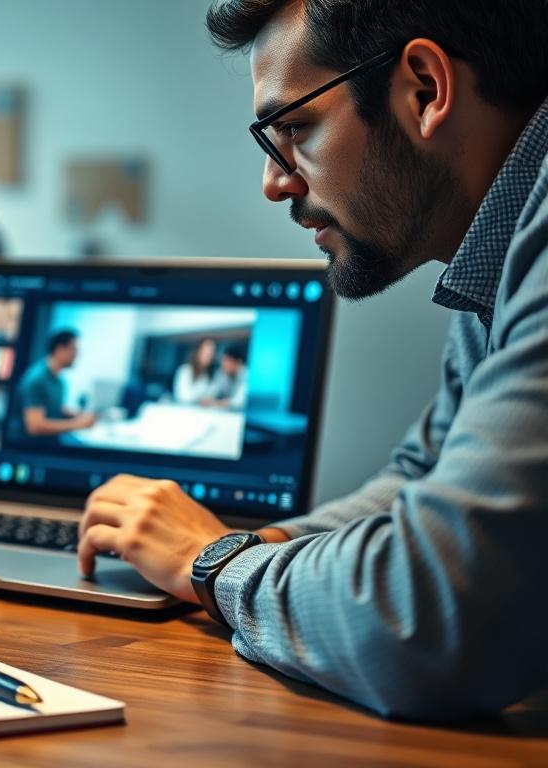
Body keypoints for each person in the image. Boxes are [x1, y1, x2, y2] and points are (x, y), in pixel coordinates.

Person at [78, 0, 548, 720]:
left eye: (294, 129)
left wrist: (216, 564)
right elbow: (420, 479)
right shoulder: (494, 260)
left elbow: (434, 617)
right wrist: (253, 542)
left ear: (424, 89)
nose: (276, 182)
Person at [15, 330, 96, 437]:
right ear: (59, 349)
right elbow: (35, 427)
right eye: (74, 349)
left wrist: (79, 415)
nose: (77, 355)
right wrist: (78, 424)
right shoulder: (37, 379)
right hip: (32, 446)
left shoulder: (59, 380)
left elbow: (54, 407)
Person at [203, 342, 248, 409]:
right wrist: (208, 399)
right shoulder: (222, 373)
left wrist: (216, 402)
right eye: (223, 360)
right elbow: (210, 393)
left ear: (238, 362)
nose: (223, 365)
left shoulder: (246, 375)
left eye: (227, 360)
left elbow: (239, 402)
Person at [173, 338, 217, 404]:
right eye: (206, 352)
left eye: (211, 353)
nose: (209, 356)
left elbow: (211, 398)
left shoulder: (209, 375)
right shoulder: (185, 370)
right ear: (198, 352)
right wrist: (202, 399)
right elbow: (184, 397)